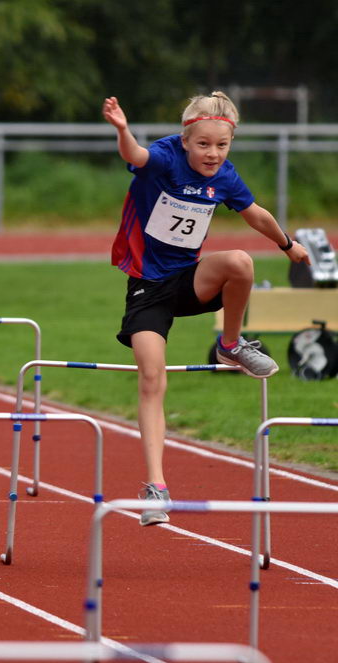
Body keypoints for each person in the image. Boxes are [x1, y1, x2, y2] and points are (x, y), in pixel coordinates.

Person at [102, 92, 309, 526]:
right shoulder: (162, 157)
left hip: (189, 280)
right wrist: (122, 129)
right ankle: (157, 487)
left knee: (239, 262)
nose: (212, 154)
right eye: (203, 145)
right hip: (147, 288)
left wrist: (287, 244)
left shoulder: (225, 177)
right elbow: (135, 154)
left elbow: (255, 215)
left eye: (221, 145)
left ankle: (229, 344)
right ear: (185, 139)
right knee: (152, 375)